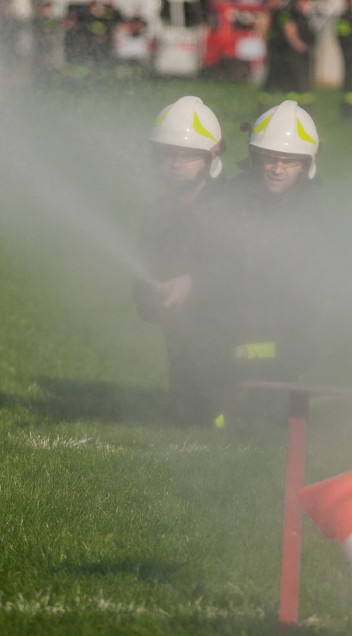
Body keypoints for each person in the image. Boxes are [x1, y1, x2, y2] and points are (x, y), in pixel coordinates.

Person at [202, 100, 323, 430]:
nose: (277, 168)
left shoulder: (310, 214)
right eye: (270, 158)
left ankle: (257, 405)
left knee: (268, 417)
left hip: (284, 330)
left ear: (306, 165)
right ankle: (219, 405)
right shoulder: (232, 197)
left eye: (289, 161)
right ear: (256, 159)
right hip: (226, 318)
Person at [132, 96, 227, 427]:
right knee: (186, 410)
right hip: (182, 329)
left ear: (211, 156)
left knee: (208, 408)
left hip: (240, 332)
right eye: (168, 154)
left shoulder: (232, 206)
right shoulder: (158, 211)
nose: (176, 163)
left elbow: (244, 271)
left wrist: (193, 283)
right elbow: (143, 270)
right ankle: (188, 403)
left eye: (187, 155)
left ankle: (222, 403)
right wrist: (151, 293)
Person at [261, 0, 316, 110]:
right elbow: (289, 29)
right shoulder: (288, 12)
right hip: (290, 56)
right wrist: (298, 45)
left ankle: (299, 109)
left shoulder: (295, 13)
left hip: (289, 55)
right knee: (292, 86)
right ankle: (296, 109)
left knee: (288, 87)